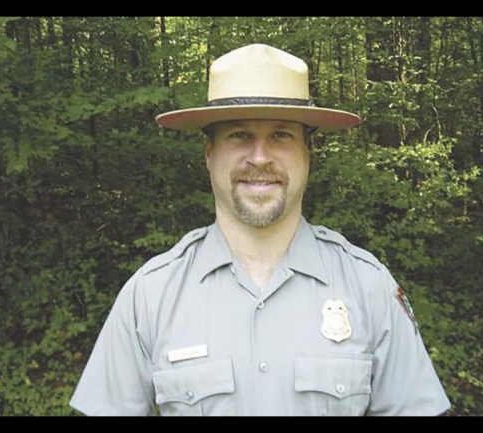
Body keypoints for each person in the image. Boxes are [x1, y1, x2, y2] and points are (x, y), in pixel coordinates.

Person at [69, 43, 451, 416]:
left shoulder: (369, 287)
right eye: (239, 135)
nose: (260, 156)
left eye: (281, 135)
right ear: (209, 154)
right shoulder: (150, 295)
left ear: (307, 153)